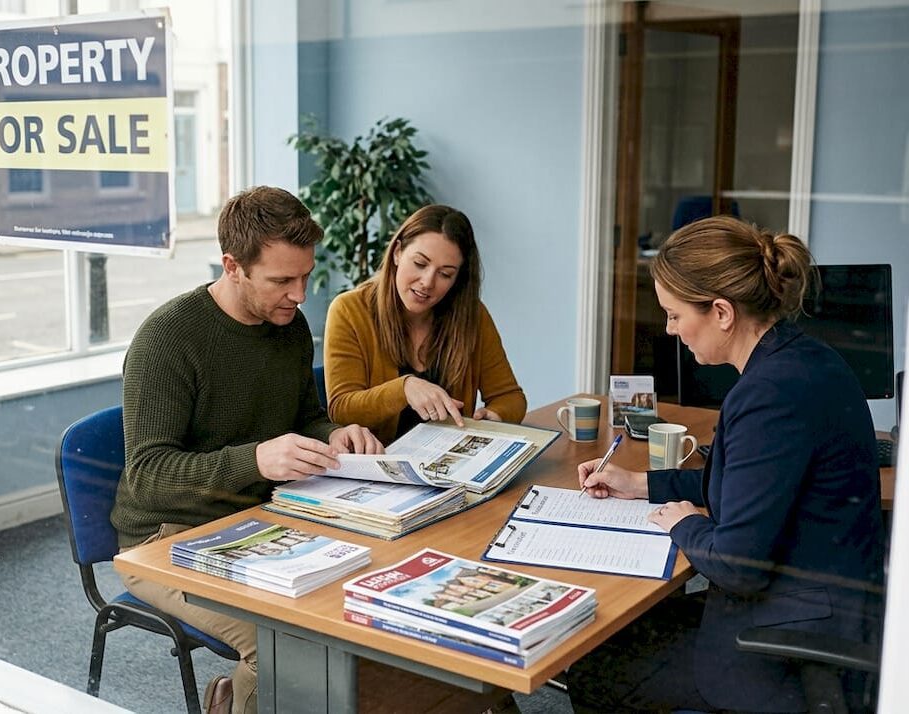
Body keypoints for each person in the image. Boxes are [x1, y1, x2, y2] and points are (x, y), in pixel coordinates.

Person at [566, 216, 885, 713]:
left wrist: (687, 525)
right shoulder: (804, 359)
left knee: (593, 667)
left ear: (720, 312)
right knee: (622, 631)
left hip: (790, 641)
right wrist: (640, 483)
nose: (670, 331)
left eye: (673, 316)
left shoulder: (768, 396)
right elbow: (746, 484)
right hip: (826, 606)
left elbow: (739, 565)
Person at [111, 185, 383, 714]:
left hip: (260, 518)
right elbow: (147, 473)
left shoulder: (290, 326)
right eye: (282, 280)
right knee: (282, 643)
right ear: (232, 266)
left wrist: (333, 432)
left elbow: (304, 413)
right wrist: (256, 458)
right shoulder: (168, 338)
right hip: (164, 539)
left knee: (361, 604)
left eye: (305, 276)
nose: (300, 294)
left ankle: (237, 700)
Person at [323, 204, 527, 444]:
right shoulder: (350, 309)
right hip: (378, 466)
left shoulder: (473, 316)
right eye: (420, 263)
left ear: (457, 279)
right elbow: (342, 409)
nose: (427, 282)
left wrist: (495, 417)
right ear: (397, 252)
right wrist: (405, 389)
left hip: (450, 466)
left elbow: (510, 396)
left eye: (445, 274)